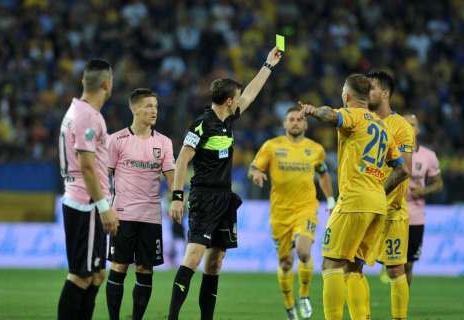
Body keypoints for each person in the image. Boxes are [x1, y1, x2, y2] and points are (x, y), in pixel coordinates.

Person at [167, 46, 282, 320]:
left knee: (216, 262)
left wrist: (268, 65)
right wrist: (177, 196)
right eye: (237, 96)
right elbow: (182, 160)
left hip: (225, 199)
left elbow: (252, 92)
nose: (241, 99)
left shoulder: (228, 118)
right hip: (204, 197)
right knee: (194, 256)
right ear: (229, 100)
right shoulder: (201, 125)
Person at [298, 73, 409, 320]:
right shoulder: (382, 126)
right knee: (353, 267)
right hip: (378, 204)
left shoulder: (353, 115)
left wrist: (314, 111)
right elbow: (402, 170)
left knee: (331, 264)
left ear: (346, 96)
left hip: (354, 201)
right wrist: (380, 189)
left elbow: (332, 115)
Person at [248, 105, 335, 319]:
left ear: (305, 124)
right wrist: (256, 175)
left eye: (299, 119)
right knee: (286, 263)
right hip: (280, 213)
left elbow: (323, 174)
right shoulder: (272, 146)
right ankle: (289, 306)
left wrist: (331, 199)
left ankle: (304, 295)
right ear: (284, 123)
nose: (295, 122)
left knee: (304, 252)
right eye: (291, 119)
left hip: (306, 208)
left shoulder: (315, 149)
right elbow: (253, 167)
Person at [57, 59, 119, 320]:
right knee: (82, 276)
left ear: (84, 81)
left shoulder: (77, 110)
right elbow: (87, 167)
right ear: (107, 84)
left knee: (96, 275)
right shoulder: (88, 117)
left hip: (81, 200)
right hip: (87, 203)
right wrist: (104, 207)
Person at [105, 88, 175, 320]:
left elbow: (171, 175)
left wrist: (177, 198)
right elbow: (105, 174)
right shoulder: (116, 140)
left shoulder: (164, 142)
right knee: (119, 267)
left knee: (146, 270)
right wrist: (104, 206)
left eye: (155, 106)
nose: (153, 110)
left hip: (150, 217)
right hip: (122, 215)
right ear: (134, 108)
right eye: (148, 106)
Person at [364, 71, 415, 320]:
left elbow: (405, 170)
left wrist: (376, 191)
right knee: (350, 266)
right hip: (362, 208)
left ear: (385, 93)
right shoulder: (361, 120)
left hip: (391, 210)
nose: (365, 92)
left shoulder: (402, 127)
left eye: (370, 88)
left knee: (396, 269)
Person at [404, 113, 443, 285]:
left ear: (418, 129)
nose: (410, 128)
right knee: (395, 263)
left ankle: (401, 306)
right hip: (392, 212)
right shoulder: (390, 151)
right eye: (406, 124)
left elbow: (438, 183)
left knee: (408, 263)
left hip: (415, 216)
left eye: (413, 124)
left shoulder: (429, 156)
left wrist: (423, 190)